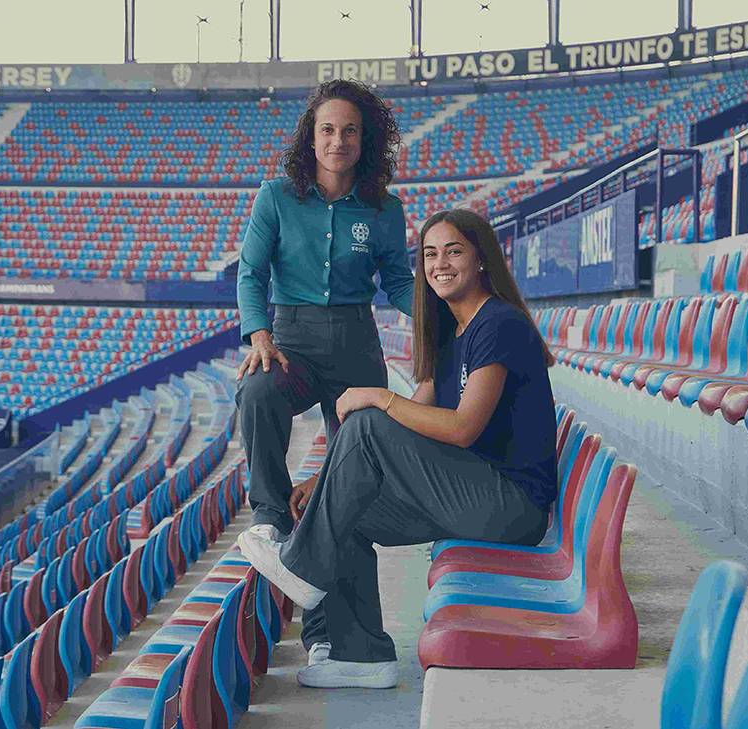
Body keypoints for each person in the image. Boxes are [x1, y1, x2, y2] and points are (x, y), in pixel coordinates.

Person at [238, 208, 558, 689]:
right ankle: (362, 655)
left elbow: (462, 428)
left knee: (368, 422)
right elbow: (418, 417)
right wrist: (326, 482)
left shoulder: (499, 323)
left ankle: (300, 566)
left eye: (454, 251)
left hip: (511, 505)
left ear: (482, 260)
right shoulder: (451, 333)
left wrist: (378, 397)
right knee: (344, 506)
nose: (440, 264)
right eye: (430, 254)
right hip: (470, 491)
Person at [234, 79, 414, 663]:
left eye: (350, 131)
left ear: (366, 140)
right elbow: (250, 274)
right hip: (291, 343)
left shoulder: (384, 208)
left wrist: (446, 319)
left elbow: (399, 283)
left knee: (347, 495)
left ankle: (339, 641)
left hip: (357, 349)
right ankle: (268, 516)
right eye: (328, 129)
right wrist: (259, 333)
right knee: (257, 390)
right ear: (311, 138)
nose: (338, 141)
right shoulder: (276, 196)